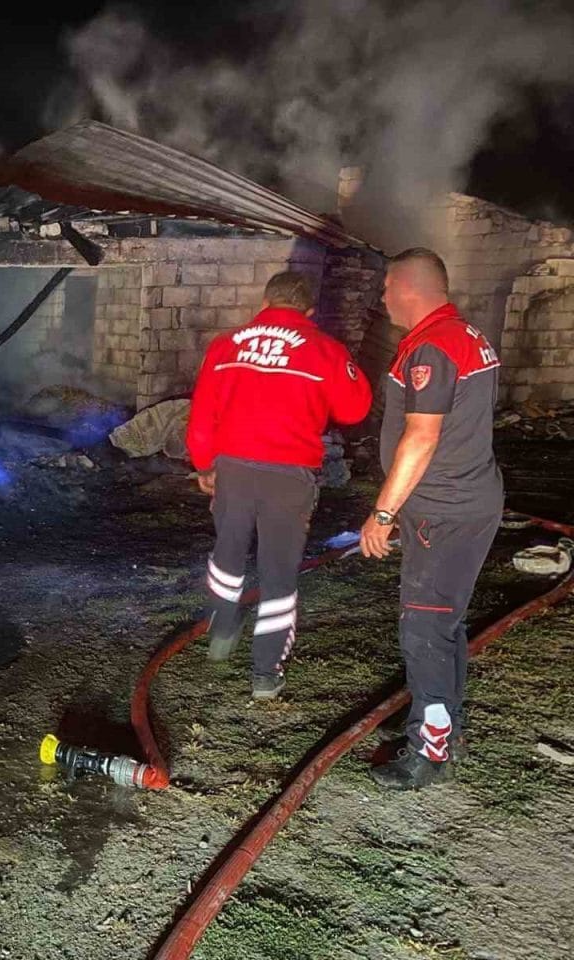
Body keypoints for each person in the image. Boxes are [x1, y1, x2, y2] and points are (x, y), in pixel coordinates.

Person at [186, 271, 372, 699]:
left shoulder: (226, 345)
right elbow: (354, 409)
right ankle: (265, 673)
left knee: (227, 551)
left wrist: (204, 465)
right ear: (309, 309)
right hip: (289, 477)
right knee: (278, 572)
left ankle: (223, 628)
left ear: (265, 300)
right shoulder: (325, 349)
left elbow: (201, 415)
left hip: (232, 469)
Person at [360, 247, 503, 790]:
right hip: (464, 502)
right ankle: (445, 728)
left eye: (387, 287)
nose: (382, 297)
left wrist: (384, 511)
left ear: (409, 287)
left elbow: (422, 436)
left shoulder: (432, 346)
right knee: (443, 623)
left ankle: (429, 750)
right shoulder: (465, 335)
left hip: (443, 514)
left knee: (423, 627)